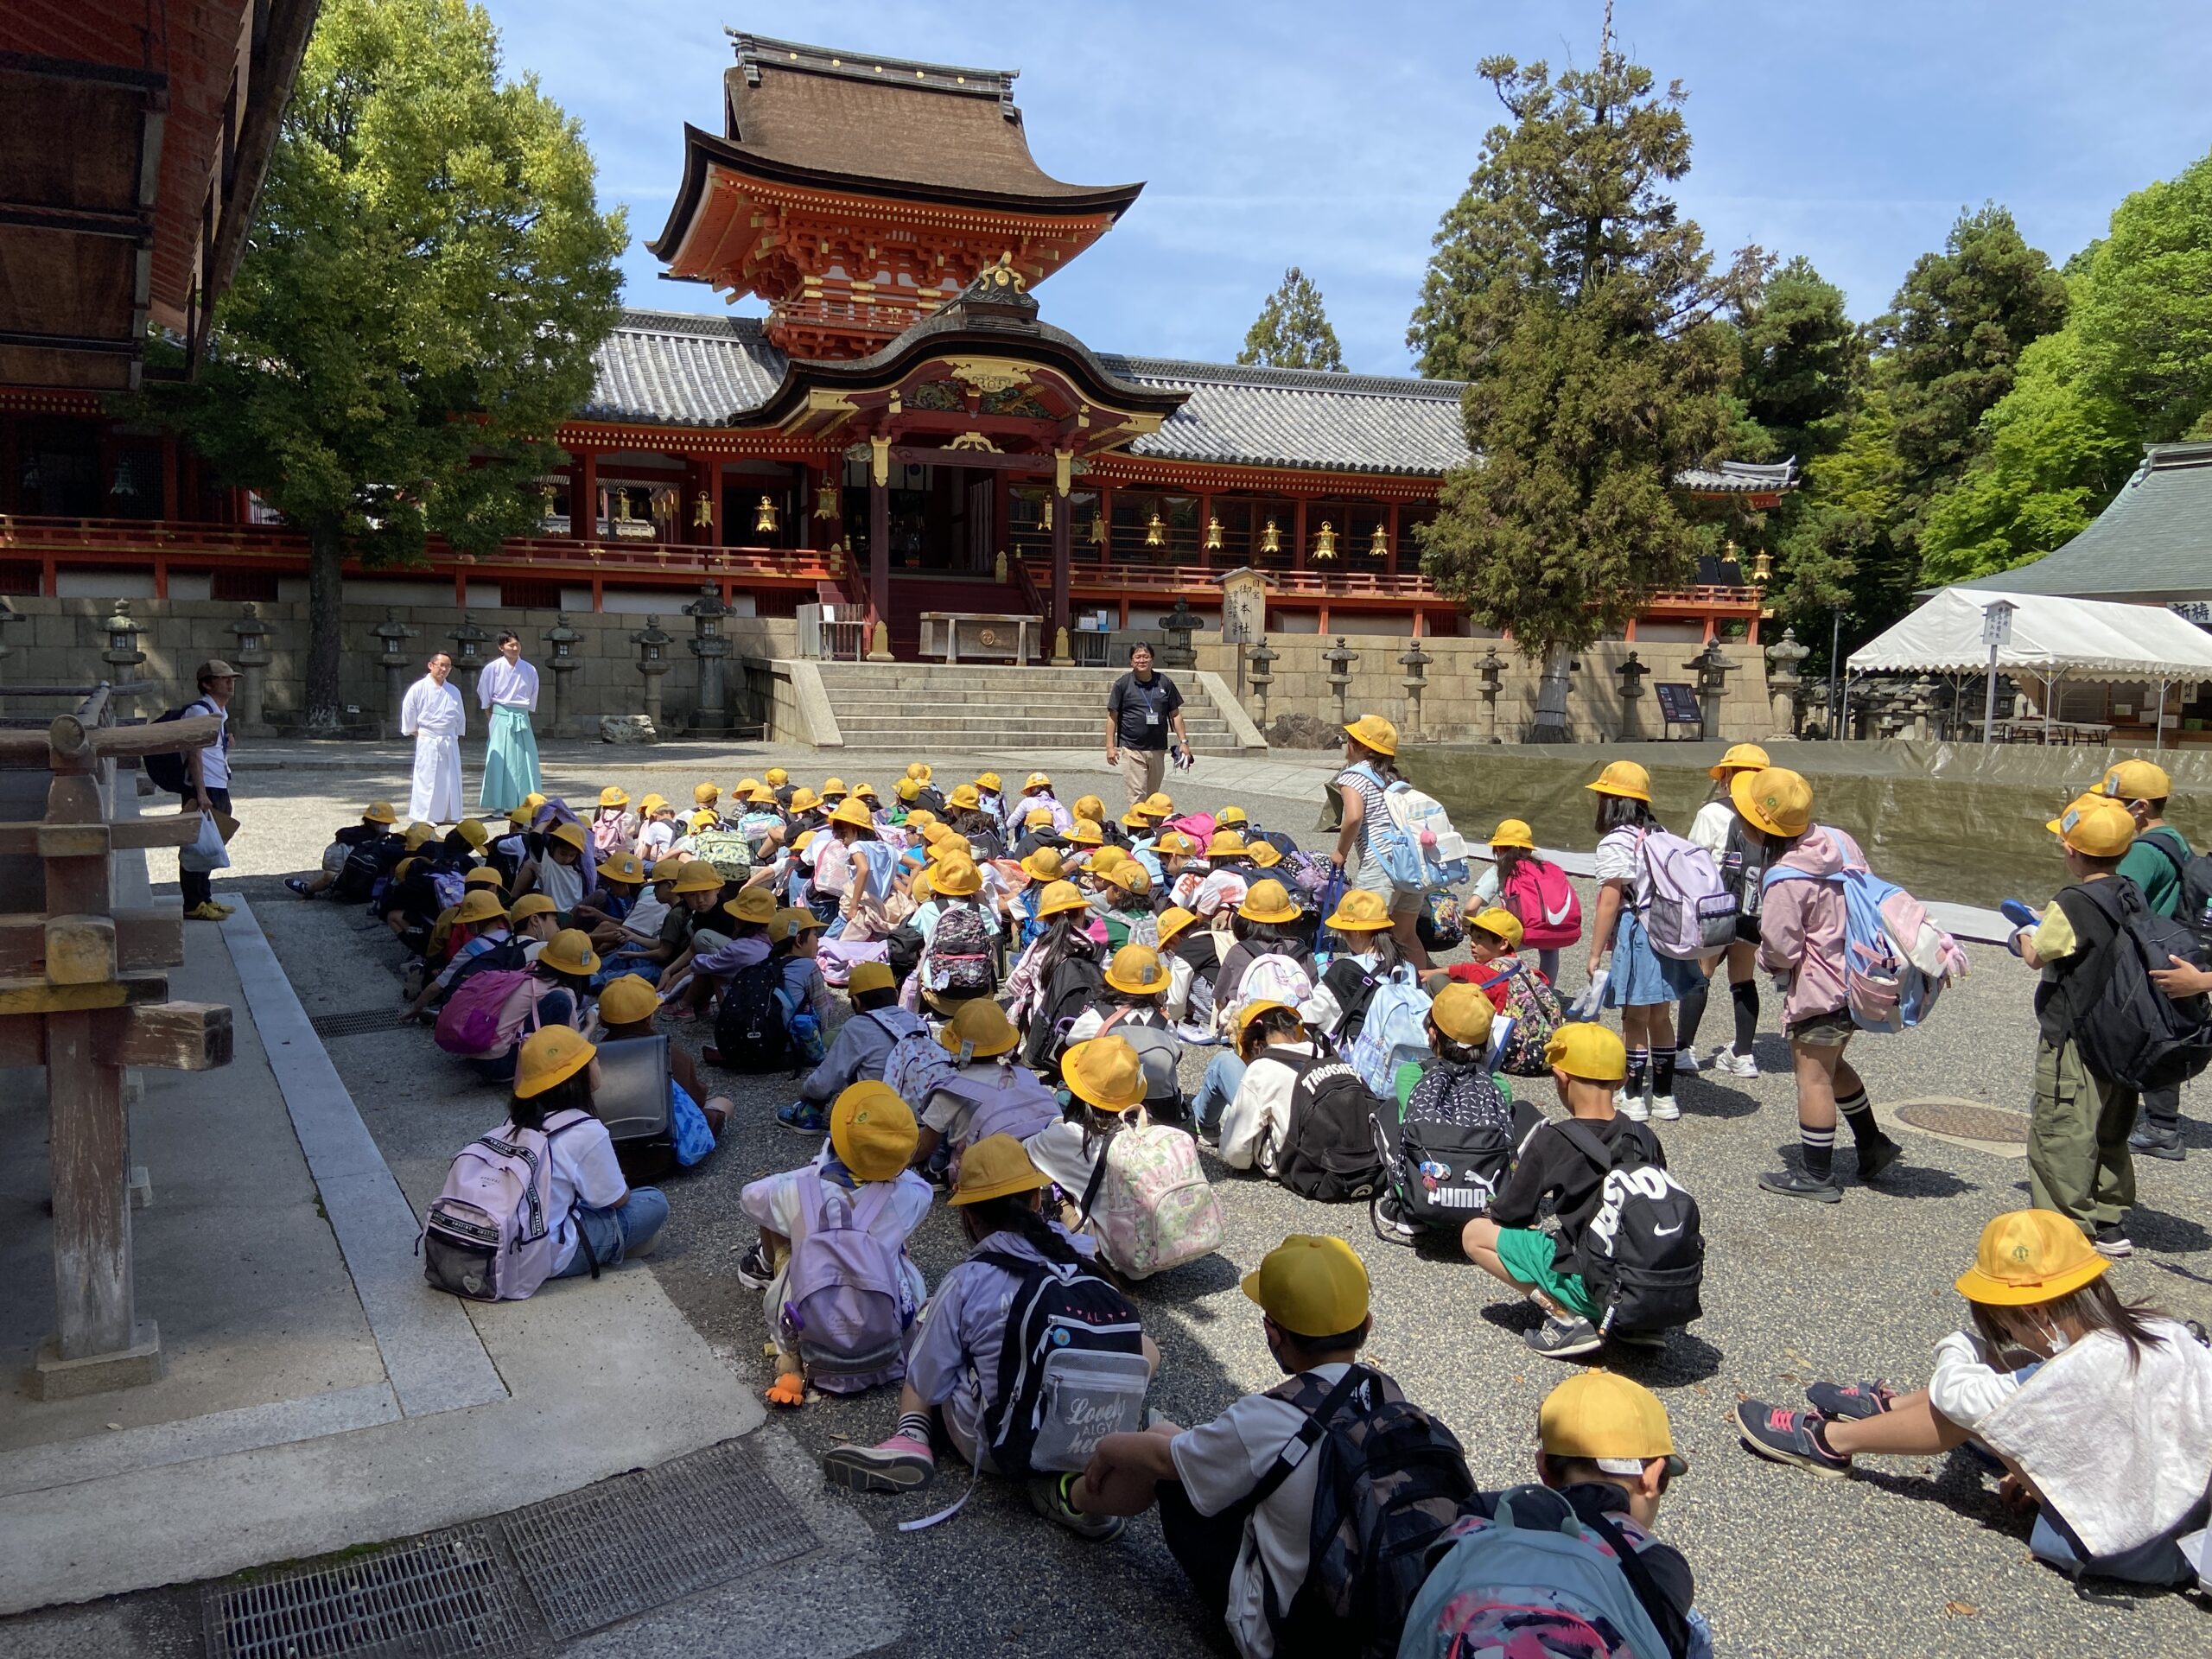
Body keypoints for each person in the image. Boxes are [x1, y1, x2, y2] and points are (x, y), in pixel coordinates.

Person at [1735, 1208, 2212, 1590]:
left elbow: (1956, 1394)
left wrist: (1964, 1344)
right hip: (2189, 1501)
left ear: (2036, 1310)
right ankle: (1892, 1415)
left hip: (2138, 1544)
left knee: (1984, 1404)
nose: (2006, 1334)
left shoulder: (2065, 1374)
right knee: (2020, 1382)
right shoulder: (2160, 1332)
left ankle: (1832, 1441)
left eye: (2006, 1324)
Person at [1073, 1235, 1464, 1659]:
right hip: (1383, 1627)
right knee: (1185, 1444)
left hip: (1286, 1638)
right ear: (1366, 1326)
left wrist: (1109, 1446)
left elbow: (1164, 1461)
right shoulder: (1387, 1395)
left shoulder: (1263, 1420)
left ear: (1273, 1334)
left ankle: (1070, 1499)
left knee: (1170, 1457)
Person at [818, 1134, 1159, 1541]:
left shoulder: (968, 1280)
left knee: (933, 1334)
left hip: (999, 1445)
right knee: (1147, 1346)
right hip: (1090, 1430)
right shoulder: (1081, 1255)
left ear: (969, 1219)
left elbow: (930, 1379)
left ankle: (911, 1437)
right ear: (1036, 1200)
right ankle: (1073, 1476)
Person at [1431, 1372, 1711, 1658]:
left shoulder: (1481, 1515)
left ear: (1544, 1468)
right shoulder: (1658, 1567)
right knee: (1695, 1627)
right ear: (1652, 1476)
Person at [1746, 766, 1904, 1202]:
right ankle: (1872, 1143)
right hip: (1859, 975)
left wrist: (1763, 958)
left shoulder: (1784, 878)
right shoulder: (1837, 841)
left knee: (1812, 1078)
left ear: (1760, 826)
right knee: (1831, 1067)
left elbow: (1781, 948)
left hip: (1819, 989)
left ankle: (1816, 1173)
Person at [1461, 1023, 1664, 1359]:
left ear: (1561, 1077)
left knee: (1474, 1234)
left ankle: (1567, 1316)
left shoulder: (1554, 1140)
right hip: (1645, 1286)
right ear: (1622, 1081)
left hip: (1593, 1283)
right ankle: (1636, 1326)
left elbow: (1512, 1214)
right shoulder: (1644, 1137)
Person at [738, 1081, 931, 1408]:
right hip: (884, 1332)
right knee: (898, 1245)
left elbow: (751, 1195)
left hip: (810, 1322)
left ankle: (766, 1268)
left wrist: (813, 1173)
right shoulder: (910, 1196)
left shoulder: (800, 1192)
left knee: (780, 1222)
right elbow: (918, 1185)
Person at [2014, 793, 2148, 1257]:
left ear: (2071, 851)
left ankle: (2066, 1228)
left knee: (2062, 1127)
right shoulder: (2131, 890)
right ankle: (2110, 1220)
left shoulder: (2071, 900)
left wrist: (2022, 934)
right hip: (2121, 1033)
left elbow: (2038, 955)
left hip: (2074, 1033)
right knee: (2111, 1125)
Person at [1584, 760, 1700, 1122]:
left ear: (1613, 801)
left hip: (1640, 934)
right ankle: (1664, 1096)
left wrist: (1594, 953)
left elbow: (1609, 898)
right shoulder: (1660, 833)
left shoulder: (1616, 841)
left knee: (1634, 1017)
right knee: (1661, 1016)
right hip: (1670, 930)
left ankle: (1633, 1096)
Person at [507, 1027, 669, 1281]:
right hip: (545, 1253)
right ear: (576, 1076)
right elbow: (616, 1200)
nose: (597, 1061)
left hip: (510, 1238)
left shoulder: (515, 1121)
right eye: (591, 1058)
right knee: (653, 1202)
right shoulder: (585, 1129)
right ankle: (615, 1246)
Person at [2095, 759, 2195, 1160]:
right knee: (2159, 1030)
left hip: (2142, 954)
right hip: (2167, 945)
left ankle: (2155, 1127)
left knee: (2135, 1033)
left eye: (2112, 802)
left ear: (2139, 807)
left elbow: (2115, 899)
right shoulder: (2174, 838)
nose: (2104, 808)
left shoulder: (2141, 851)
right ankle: (2162, 1124)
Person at [1676, 743, 1770, 1078]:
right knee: (1743, 979)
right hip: (1752, 911)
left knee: (1700, 976)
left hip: (1714, 908)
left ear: (1729, 776)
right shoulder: (1773, 817)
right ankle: (1744, 1054)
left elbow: (1691, 861)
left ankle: (1683, 1051)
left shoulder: (1713, 813)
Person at [1329, 714, 1432, 970]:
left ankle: (1369, 992)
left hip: (1380, 865)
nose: (1346, 743)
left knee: (1365, 933)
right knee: (1406, 935)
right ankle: (1420, 991)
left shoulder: (1353, 776)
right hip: (1409, 864)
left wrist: (1341, 852)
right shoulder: (1394, 778)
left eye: (1351, 738)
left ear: (1361, 746)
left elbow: (1353, 817)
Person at [777, 961, 926, 1135]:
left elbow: (824, 1082)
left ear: (856, 1001)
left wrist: (806, 1091)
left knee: (839, 1075)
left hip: (879, 1115)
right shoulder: (918, 1022)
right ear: (895, 993)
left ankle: (807, 1115)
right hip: (919, 1114)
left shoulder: (857, 1026)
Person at [594, 972, 729, 1164]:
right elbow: (695, 1102)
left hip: (614, 1158)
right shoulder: (671, 1053)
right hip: (665, 1153)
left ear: (602, 1020)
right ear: (650, 1016)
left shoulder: (593, 1059)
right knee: (723, 1103)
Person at [1469, 818, 1579, 984]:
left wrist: (1469, 929)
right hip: (1552, 931)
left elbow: (1471, 906)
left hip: (1520, 934)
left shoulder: (1500, 869)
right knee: (1549, 949)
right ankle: (1546, 994)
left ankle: (1492, 986)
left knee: (1490, 945)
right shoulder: (1545, 867)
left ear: (1497, 847)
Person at [1215, 1001, 1319, 1173]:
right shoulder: (1324, 1052)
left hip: (1294, 1163)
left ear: (1256, 1045)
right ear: (1293, 1030)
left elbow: (1234, 1152)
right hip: (1334, 1158)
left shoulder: (1262, 1068)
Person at [180, 658, 238, 921]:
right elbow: (194, 753)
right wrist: (201, 793)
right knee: (196, 844)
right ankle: (193, 903)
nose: (230, 682)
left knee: (210, 843)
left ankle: (205, 897)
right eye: (223, 678)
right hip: (203, 787)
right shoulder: (199, 712)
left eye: (231, 678)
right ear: (206, 683)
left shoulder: (218, 713)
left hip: (218, 783)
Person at [1105, 641, 1191, 805]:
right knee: (1137, 794)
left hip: (1157, 748)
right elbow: (1112, 716)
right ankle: (1135, 830)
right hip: (1132, 747)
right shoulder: (1122, 684)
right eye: (1137, 657)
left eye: (1146, 656)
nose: (1142, 660)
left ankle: (1150, 830)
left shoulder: (1164, 682)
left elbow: (1175, 714)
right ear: (1131, 661)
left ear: (1152, 660)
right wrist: (1110, 747)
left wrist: (1184, 742)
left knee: (1153, 797)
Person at [476, 630, 542, 812]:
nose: (514, 648)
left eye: (517, 645)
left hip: (521, 716)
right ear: (501, 647)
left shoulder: (529, 669)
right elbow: (485, 694)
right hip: (500, 714)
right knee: (501, 760)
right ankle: (500, 804)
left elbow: (533, 693)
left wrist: (525, 712)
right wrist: (493, 716)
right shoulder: (493, 668)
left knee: (525, 759)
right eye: (510, 645)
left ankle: (527, 803)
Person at [399, 652, 467, 825]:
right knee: (427, 778)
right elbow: (409, 713)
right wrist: (417, 733)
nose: (444, 669)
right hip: (428, 739)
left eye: (448, 666)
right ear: (431, 665)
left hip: (448, 739)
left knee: (450, 777)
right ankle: (424, 815)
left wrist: (455, 733)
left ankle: (450, 814)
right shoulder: (419, 688)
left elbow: (459, 716)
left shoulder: (453, 691)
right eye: (441, 665)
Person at [288, 801, 403, 899]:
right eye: (385, 823)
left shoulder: (355, 837)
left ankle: (307, 889)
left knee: (328, 876)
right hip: (368, 881)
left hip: (364, 885)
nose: (387, 826)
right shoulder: (388, 842)